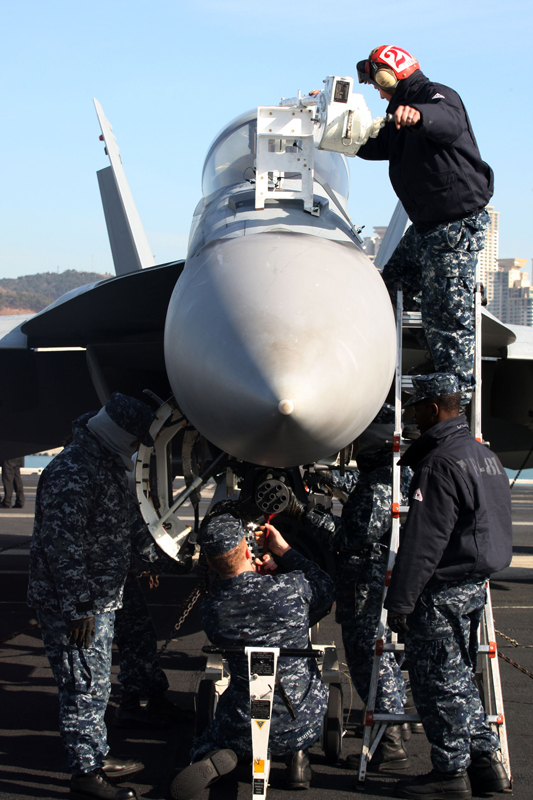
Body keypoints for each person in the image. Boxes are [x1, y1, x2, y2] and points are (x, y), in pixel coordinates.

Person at [27, 393, 192, 800]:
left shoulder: (107, 465)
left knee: (96, 682)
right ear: (119, 435)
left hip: (100, 596)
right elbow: (61, 545)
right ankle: (85, 775)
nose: (137, 449)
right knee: (83, 684)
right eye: (135, 441)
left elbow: (131, 529)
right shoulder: (73, 470)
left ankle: (95, 754)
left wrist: (175, 561)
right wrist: (79, 605)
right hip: (76, 604)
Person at [384, 374, 512, 800]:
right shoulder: (482, 455)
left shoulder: (440, 462)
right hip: (475, 584)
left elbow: (424, 541)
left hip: (442, 591)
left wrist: (401, 601)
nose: (414, 416)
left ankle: (450, 774)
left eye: (418, 408)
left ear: (434, 409)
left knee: (438, 682)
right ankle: (484, 763)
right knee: (460, 678)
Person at [355, 45, 493, 404]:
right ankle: (417, 361)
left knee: (449, 320)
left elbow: (447, 120)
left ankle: (453, 405)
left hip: (453, 228)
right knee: (390, 286)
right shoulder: (400, 118)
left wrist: (417, 114)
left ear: (390, 75)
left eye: (377, 83)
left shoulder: (437, 97)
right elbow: (374, 144)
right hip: (427, 228)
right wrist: (338, 133)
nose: (377, 90)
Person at [171, 503, 335, 800]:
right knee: (295, 712)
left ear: (208, 562)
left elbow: (231, 591)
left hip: (243, 726)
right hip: (303, 718)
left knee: (202, 742)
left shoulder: (212, 613)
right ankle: (298, 757)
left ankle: (215, 755)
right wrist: (284, 552)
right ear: (248, 550)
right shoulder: (293, 589)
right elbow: (324, 587)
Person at [296, 405, 416, 771]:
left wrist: (302, 513)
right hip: (385, 582)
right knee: (384, 658)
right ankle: (395, 725)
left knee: (367, 660)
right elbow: (364, 492)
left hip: (365, 585)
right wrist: (326, 480)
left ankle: (391, 745)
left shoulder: (379, 486)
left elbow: (349, 538)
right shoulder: (398, 474)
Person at [113, 571, 194, 728]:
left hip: (119, 577)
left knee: (142, 636)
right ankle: (129, 707)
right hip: (107, 582)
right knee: (134, 637)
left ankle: (156, 700)